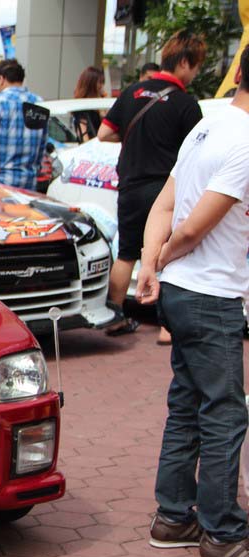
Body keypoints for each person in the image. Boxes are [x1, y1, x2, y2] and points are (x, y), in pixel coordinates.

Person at [136, 45, 249, 557]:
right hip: (210, 294)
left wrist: (148, 264)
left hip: (181, 292)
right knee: (224, 412)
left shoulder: (207, 125)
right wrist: (164, 253)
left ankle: (173, 517)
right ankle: (223, 533)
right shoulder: (246, 141)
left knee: (187, 405)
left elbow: (164, 201)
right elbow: (193, 225)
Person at [98, 31, 205, 339]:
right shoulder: (186, 104)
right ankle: (166, 328)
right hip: (165, 191)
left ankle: (114, 317)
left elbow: (104, 133)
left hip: (130, 185)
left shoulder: (132, 92)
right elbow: (196, 152)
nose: (196, 73)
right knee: (167, 254)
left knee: (127, 253)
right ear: (184, 62)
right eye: (196, 66)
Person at [0, 59, 48, 190]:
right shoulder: (38, 102)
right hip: (30, 179)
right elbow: (43, 139)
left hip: (2, 177)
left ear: (1, 79)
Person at [72, 66, 106, 142]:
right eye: (100, 83)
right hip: (92, 148)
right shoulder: (81, 107)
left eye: (102, 83)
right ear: (91, 84)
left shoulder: (102, 103)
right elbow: (83, 134)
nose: (102, 86)